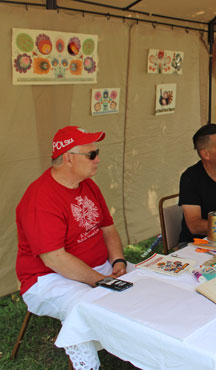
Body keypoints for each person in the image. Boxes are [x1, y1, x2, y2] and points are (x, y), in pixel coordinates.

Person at [16, 125, 128, 369]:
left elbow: (108, 229)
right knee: (83, 307)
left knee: (143, 286)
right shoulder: (40, 197)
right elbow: (55, 259)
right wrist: (100, 280)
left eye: (97, 153)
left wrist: (118, 261)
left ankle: (138, 349)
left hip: (95, 267)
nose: (98, 159)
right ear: (67, 158)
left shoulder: (88, 184)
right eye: (91, 154)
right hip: (47, 279)